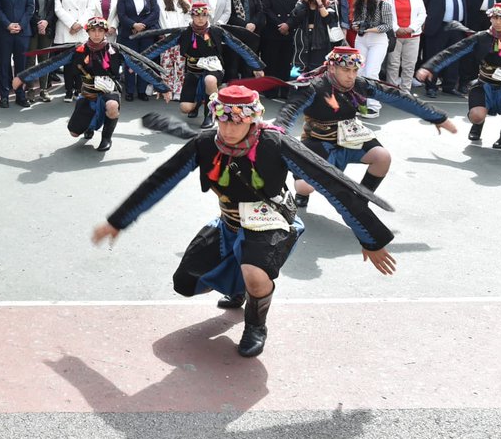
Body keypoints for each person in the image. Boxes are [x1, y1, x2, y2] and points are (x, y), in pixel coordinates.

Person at [92, 85, 397, 358]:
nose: (229, 126)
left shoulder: (276, 144)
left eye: (237, 119)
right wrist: (119, 221)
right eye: (223, 118)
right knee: (184, 283)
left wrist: (370, 237)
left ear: (252, 118)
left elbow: (333, 184)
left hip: (273, 221)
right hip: (229, 222)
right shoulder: (205, 143)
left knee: (254, 271)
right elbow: (160, 181)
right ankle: (238, 289)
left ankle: (255, 326)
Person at [276, 47, 456, 209]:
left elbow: (398, 96)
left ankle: (361, 199)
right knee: (305, 187)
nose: (351, 76)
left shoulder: (361, 84)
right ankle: (301, 192)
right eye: (346, 70)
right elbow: (289, 111)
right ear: (332, 68)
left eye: (355, 70)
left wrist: (436, 117)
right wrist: (277, 133)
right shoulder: (313, 87)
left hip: (352, 136)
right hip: (318, 140)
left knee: (382, 157)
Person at [17, 16, 166, 152]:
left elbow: (141, 67)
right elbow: (51, 63)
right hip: (88, 93)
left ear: (105, 32)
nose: (96, 34)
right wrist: (24, 76)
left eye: (100, 30)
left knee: (112, 106)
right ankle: (89, 126)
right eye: (93, 30)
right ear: (87, 32)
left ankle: (106, 138)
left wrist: (162, 87)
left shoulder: (115, 50)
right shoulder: (78, 50)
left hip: (109, 92)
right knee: (74, 133)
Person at [416, 3, 501, 149]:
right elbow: (454, 51)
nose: (498, 21)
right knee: (477, 115)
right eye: (495, 17)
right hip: (484, 83)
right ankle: (477, 125)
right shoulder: (481, 38)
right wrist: (430, 67)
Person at [140, 3, 265, 129]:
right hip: (193, 71)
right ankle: (199, 102)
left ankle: (210, 114)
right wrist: (137, 60)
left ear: (208, 16)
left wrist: (256, 66)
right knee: (185, 108)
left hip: (213, 69)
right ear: (192, 16)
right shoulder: (184, 33)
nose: (200, 18)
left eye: (204, 15)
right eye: (197, 15)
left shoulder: (217, 31)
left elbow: (239, 47)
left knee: (209, 80)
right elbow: (160, 46)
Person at [418, 0, 470, 98]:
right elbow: (423, 5)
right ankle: (431, 86)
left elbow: (466, 3)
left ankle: (449, 85)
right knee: (433, 57)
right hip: (437, 27)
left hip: (457, 27)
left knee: (454, 57)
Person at [53, 0, 101, 103]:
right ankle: (68, 90)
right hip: (66, 30)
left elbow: (91, 9)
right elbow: (58, 9)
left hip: (82, 31)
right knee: (68, 63)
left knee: (81, 62)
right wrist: (72, 24)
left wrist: (79, 24)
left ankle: (79, 89)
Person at [350, 0, 395, 117]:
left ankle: (374, 106)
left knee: (371, 72)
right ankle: (360, 103)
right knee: (359, 73)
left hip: (378, 40)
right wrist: (357, 26)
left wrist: (368, 28)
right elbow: (355, 22)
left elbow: (387, 25)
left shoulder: (384, 4)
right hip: (361, 39)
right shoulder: (358, 3)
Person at [116, 0, 161, 101]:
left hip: (146, 35)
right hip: (129, 34)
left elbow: (155, 14)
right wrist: (133, 25)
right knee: (130, 63)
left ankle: (141, 90)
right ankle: (130, 91)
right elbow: (121, 15)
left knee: (144, 62)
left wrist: (142, 25)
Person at [382, 0, 425, 92]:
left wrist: (411, 28)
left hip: (413, 36)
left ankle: (405, 90)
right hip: (394, 36)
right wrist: (396, 28)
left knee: (409, 65)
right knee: (393, 64)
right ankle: (392, 90)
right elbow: (386, 14)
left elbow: (422, 14)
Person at [24, 0, 58, 103]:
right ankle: (30, 89)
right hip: (32, 28)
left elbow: (52, 9)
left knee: (45, 60)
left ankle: (43, 90)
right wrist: (38, 22)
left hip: (47, 28)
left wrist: (46, 22)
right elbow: (28, 9)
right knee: (31, 60)